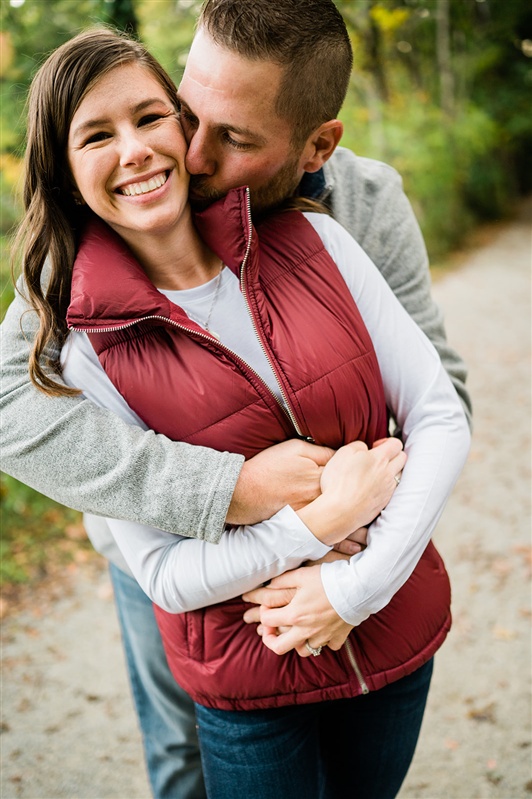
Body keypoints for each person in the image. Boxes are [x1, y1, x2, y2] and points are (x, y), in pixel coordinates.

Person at [0, 1, 472, 796]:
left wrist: (354, 575)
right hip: (177, 560)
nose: (190, 152)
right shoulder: (86, 267)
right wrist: (243, 495)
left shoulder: (351, 212)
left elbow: (440, 398)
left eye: (237, 138)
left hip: (362, 558)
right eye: (189, 113)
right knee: (187, 758)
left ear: (317, 143)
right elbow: (9, 401)